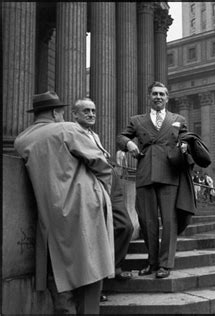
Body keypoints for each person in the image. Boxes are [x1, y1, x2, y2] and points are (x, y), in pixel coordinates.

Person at [14, 91, 114, 313]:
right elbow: (100, 163)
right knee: (92, 268)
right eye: (60, 111)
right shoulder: (67, 128)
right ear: (54, 112)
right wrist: (104, 191)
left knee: (59, 271)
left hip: (49, 212)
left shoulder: (21, 140)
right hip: (86, 204)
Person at [117, 81, 195, 279]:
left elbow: (187, 138)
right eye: (154, 94)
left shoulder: (178, 119)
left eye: (162, 94)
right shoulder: (137, 120)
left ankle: (165, 265)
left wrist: (185, 146)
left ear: (167, 98)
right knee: (147, 221)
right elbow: (121, 137)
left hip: (170, 174)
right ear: (149, 97)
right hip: (145, 173)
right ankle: (152, 263)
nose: (158, 97)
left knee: (169, 221)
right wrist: (128, 144)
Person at [72, 98, 134, 284]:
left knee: (125, 226)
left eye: (93, 111)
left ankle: (113, 266)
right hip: (92, 186)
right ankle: (98, 280)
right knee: (95, 234)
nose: (91, 114)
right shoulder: (72, 133)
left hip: (110, 183)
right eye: (86, 111)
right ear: (75, 114)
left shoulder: (94, 135)